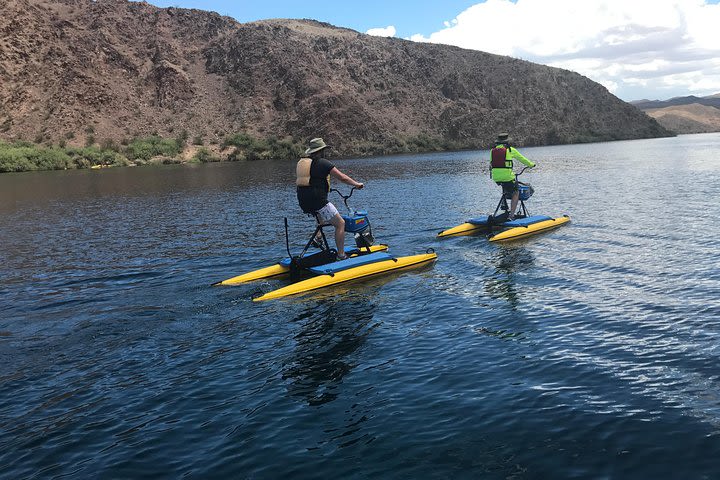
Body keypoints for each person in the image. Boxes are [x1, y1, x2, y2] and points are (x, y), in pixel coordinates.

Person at [296, 137, 364, 260]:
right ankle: (341, 255)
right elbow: (342, 178)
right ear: (321, 150)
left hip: (304, 201)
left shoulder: (305, 163)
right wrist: (356, 184)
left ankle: (318, 238)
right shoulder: (323, 163)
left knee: (320, 216)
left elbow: (311, 181)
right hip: (318, 201)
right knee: (340, 224)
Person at [490, 132, 535, 220]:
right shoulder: (510, 150)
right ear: (507, 142)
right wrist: (531, 164)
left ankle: (504, 209)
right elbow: (522, 159)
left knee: (506, 189)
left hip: (495, 177)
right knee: (516, 192)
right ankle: (511, 216)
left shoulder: (492, 151)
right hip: (507, 176)